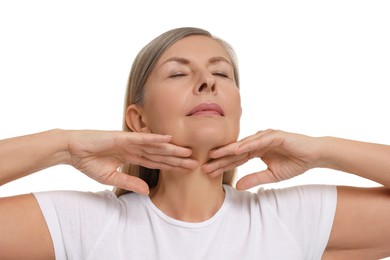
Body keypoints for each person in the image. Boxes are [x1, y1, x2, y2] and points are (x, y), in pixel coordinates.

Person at [1, 27, 390, 260]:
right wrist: (63, 147)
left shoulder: (290, 220)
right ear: (138, 120)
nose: (209, 82)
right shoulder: (85, 224)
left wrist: (322, 151)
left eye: (221, 72)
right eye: (178, 74)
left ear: (238, 109)